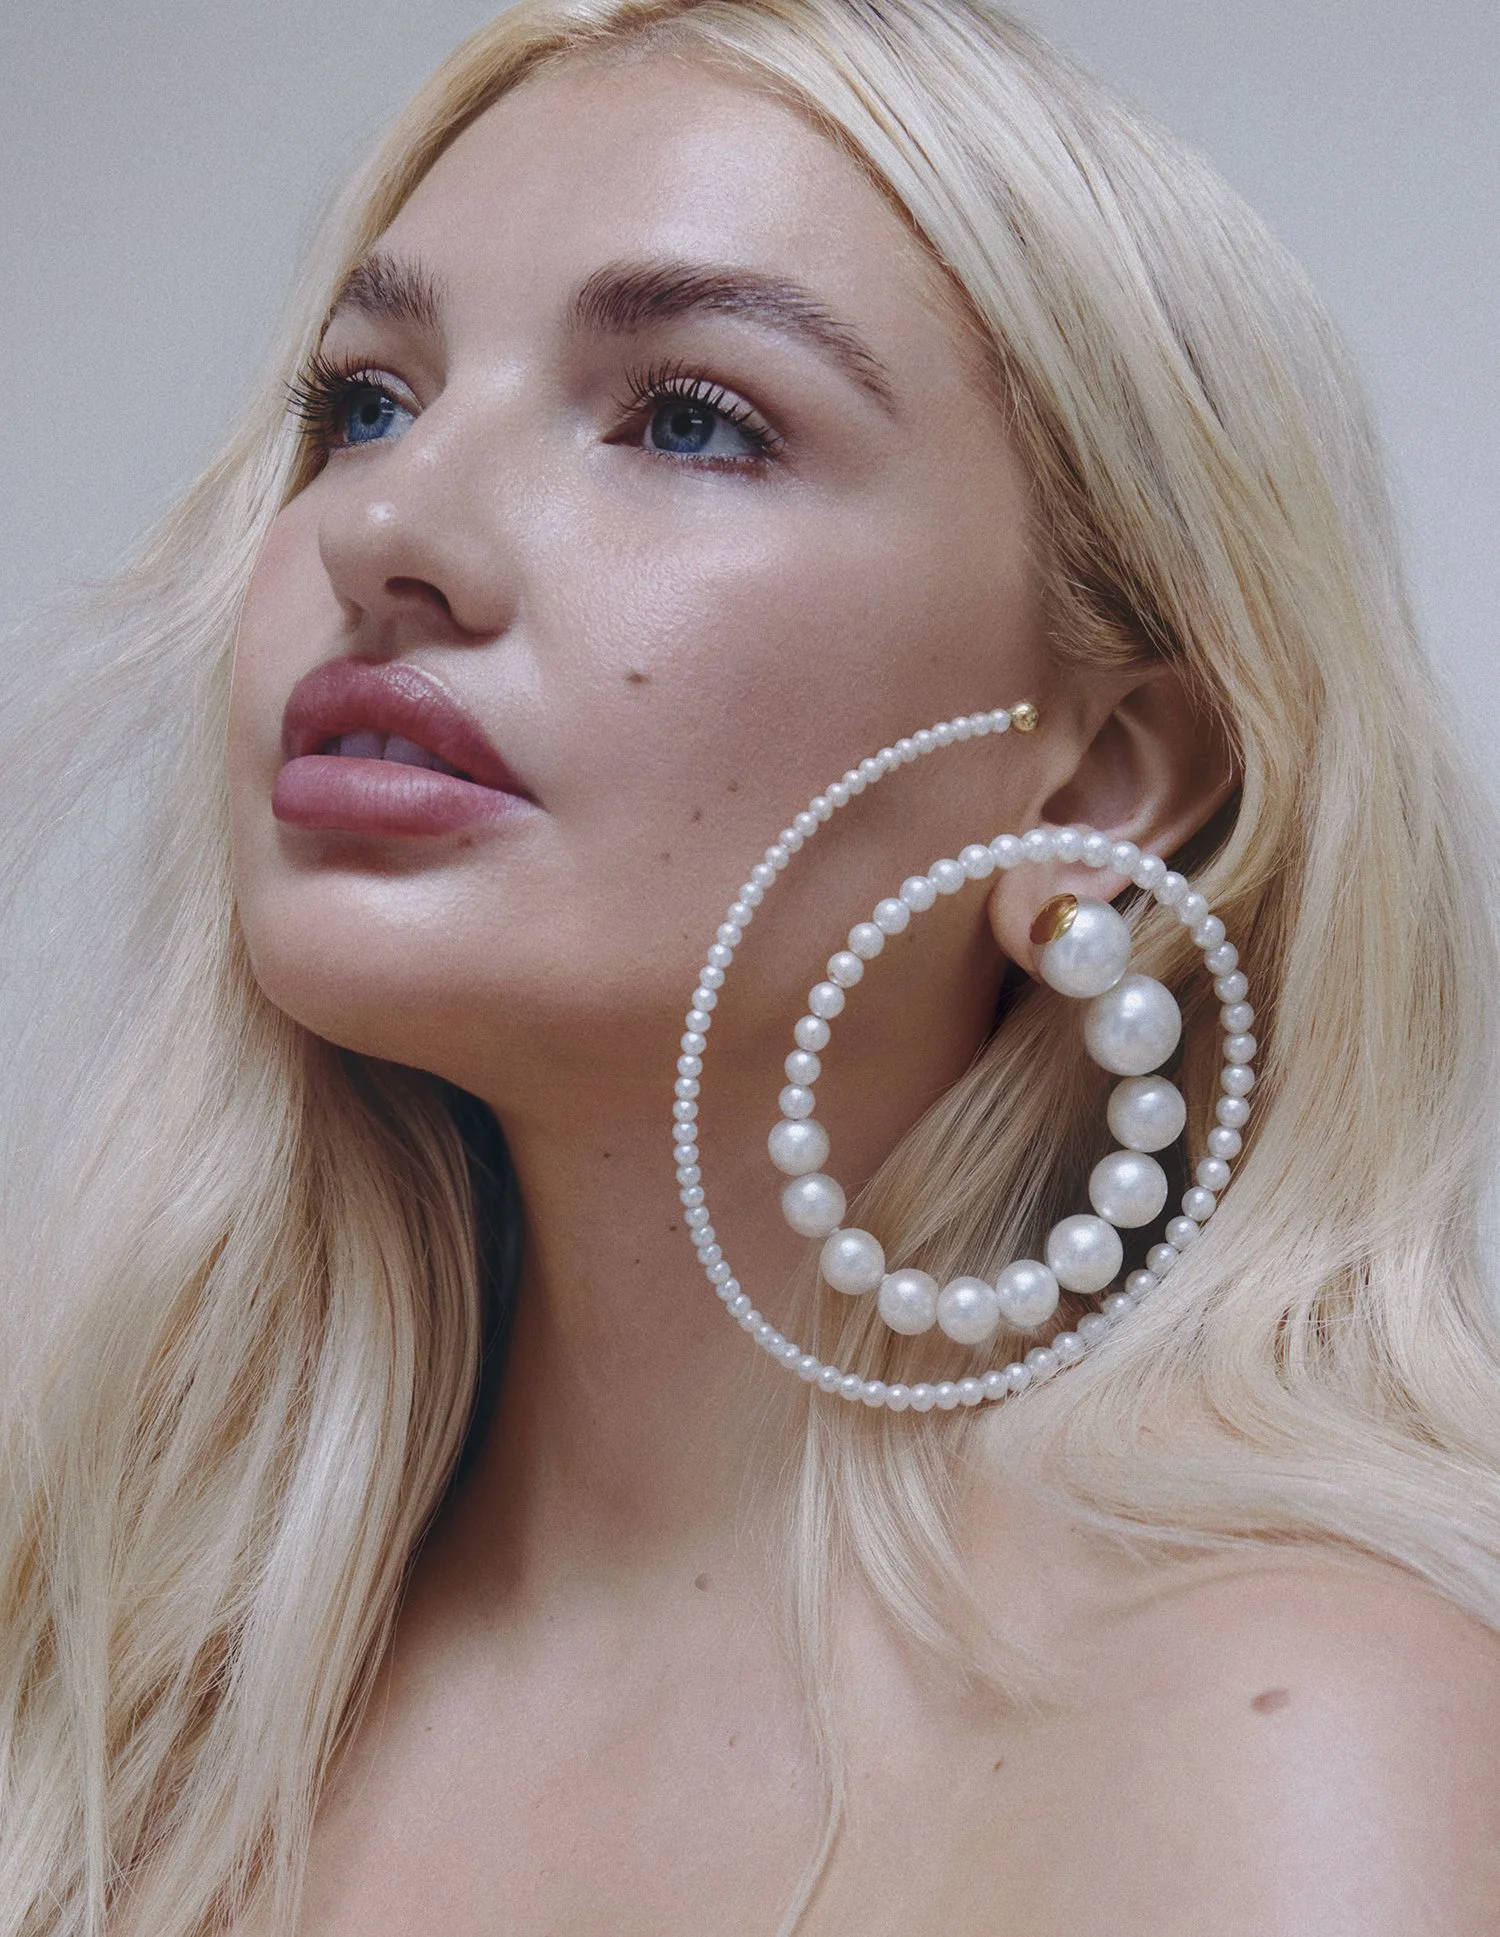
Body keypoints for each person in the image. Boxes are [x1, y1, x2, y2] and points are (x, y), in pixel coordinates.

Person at [4, 0, 1500, 1930]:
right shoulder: (119, 1697)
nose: (386, 524)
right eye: (365, 399)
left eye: (691, 418)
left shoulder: (1277, 1734)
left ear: (1115, 777)